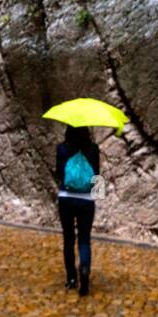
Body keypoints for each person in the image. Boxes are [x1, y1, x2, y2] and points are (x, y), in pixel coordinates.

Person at [56, 125, 100, 296]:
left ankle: (71, 278)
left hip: (66, 198)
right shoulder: (94, 149)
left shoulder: (61, 148)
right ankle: (85, 272)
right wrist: (96, 197)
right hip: (87, 200)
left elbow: (59, 173)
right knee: (84, 239)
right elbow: (97, 173)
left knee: (68, 238)